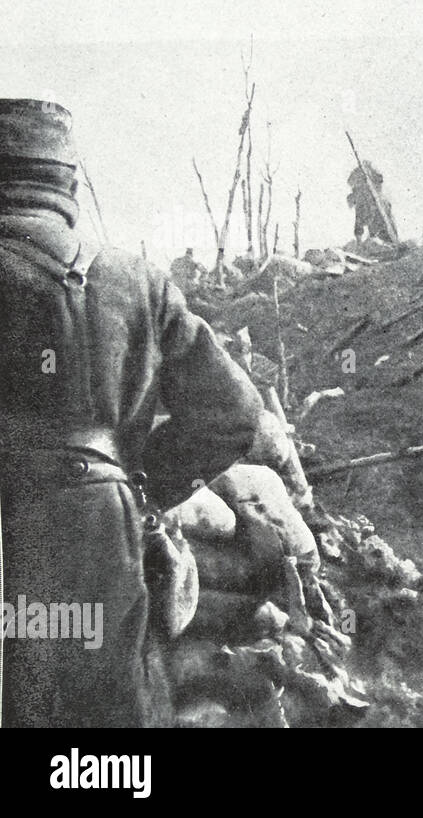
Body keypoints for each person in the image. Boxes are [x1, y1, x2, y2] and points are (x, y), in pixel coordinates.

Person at [0, 99, 263, 727]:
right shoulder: (137, 279)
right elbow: (233, 412)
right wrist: (138, 485)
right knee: (112, 712)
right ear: (68, 184)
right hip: (104, 523)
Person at [346, 160, 396, 244]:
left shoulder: (379, 199)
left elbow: (380, 180)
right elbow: (358, 223)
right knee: (371, 227)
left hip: (377, 205)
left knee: (380, 225)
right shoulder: (361, 200)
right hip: (370, 205)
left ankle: (387, 241)